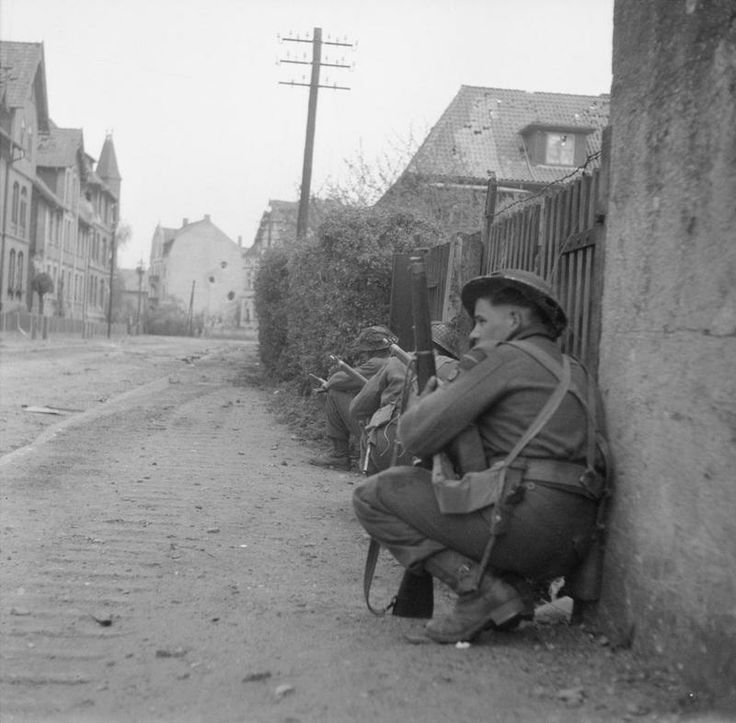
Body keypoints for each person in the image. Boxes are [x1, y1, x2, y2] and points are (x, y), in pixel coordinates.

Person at [353, 270, 609, 643]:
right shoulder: (576, 370)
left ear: (515, 321)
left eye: (483, 320)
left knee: (373, 496)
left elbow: (414, 436)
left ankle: (479, 592)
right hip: (574, 545)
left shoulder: (506, 358)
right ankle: (511, 591)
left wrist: (422, 401)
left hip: (522, 527)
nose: (473, 333)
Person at [349, 322, 460, 475]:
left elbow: (358, 408)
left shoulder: (395, 362)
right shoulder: (457, 370)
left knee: (369, 421)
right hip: (432, 455)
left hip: (386, 445)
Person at [309, 325, 397, 471]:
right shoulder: (399, 362)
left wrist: (328, 384)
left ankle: (339, 455)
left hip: (381, 430)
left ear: (372, 350)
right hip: (396, 428)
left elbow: (340, 380)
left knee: (335, 393)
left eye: (364, 351)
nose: (362, 355)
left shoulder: (378, 363)